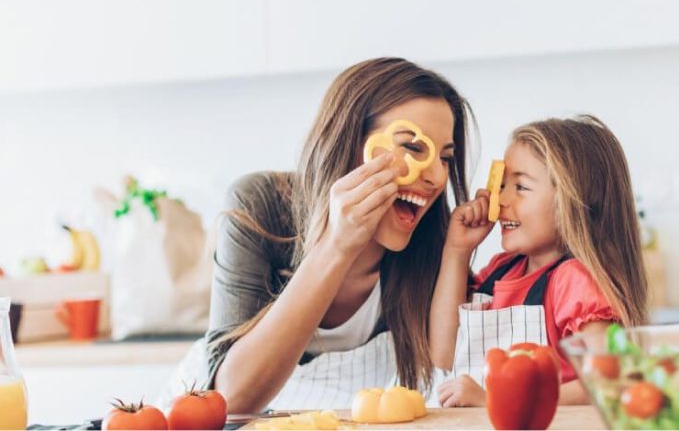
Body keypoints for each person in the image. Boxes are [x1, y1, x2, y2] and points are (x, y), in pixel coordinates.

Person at [206, 57, 475, 413]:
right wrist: (336, 245)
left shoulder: (432, 243)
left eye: (445, 158)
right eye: (412, 148)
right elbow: (232, 401)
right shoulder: (260, 205)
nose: (436, 178)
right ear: (349, 142)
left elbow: (447, 367)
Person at [429, 115, 648, 406]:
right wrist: (456, 251)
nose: (501, 200)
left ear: (572, 202)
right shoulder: (500, 271)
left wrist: (497, 400)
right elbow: (444, 354)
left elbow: (610, 381)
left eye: (520, 187)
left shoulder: (574, 280)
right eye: (502, 185)